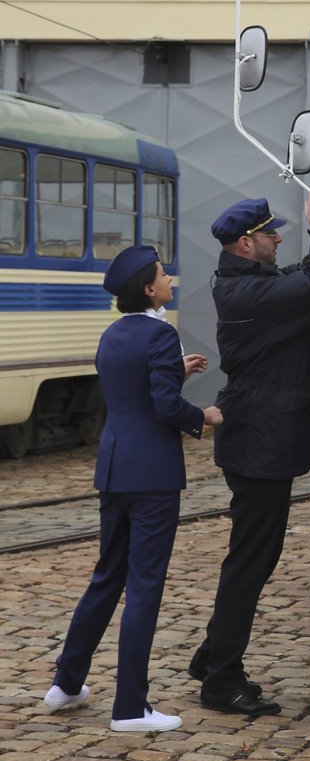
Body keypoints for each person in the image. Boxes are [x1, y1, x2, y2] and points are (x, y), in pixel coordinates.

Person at [43, 244, 222, 733]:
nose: (170, 280)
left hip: (115, 467)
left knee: (107, 576)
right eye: (164, 275)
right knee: (144, 586)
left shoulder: (113, 335)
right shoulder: (162, 334)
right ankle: (129, 707)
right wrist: (202, 417)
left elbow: (132, 391)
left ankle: (66, 683)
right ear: (148, 289)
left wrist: (174, 371)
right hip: (153, 477)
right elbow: (164, 407)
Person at [190, 191, 310, 717]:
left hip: (263, 439)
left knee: (256, 556)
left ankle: (213, 655)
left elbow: (308, 285)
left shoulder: (253, 286)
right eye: (269, 233)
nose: (278, 237)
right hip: (258, 442)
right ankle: (220, 679)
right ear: (246, 242)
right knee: (251, 560)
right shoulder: (246, 295)